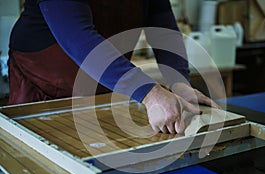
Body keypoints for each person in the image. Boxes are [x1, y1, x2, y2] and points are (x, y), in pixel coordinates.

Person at [8, 0, 218, 134]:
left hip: (104, 81)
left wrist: (179, 83)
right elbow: (78, 39)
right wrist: (150, 94)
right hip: (43, 84)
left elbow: (163, 30)